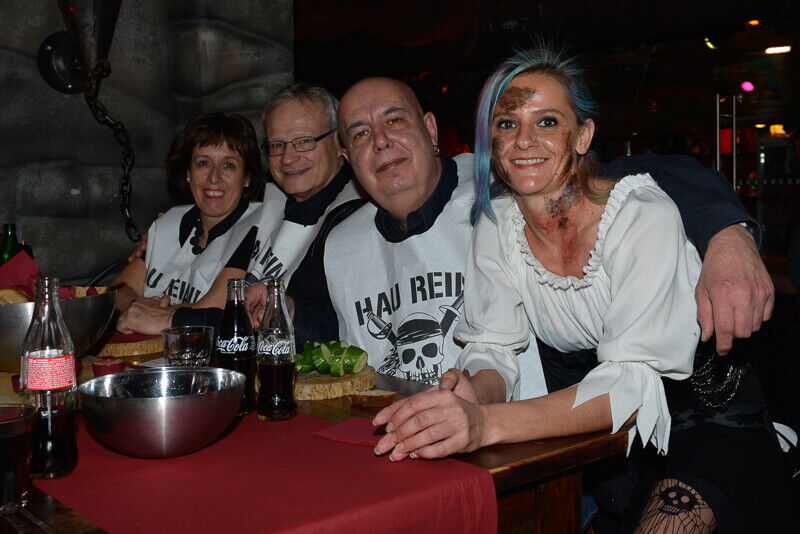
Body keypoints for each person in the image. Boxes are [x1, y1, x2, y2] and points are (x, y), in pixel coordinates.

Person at [372, 48, 791, 532]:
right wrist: (475, 394)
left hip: (710, 426)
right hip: (603, 444)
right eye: (507, 124)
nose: (524, 140)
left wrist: (486, 424)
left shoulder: (640, 214)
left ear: (583, 136)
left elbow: (633, 387)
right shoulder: (497, 223)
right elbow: (495, 347)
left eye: (547, 121)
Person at [288, 74, 772, 396]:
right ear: (348, 159)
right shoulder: (338, 237)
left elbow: (632, 178)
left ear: (430, 130)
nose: (381, 141)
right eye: (360, 133)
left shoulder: (505, 186)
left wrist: (728, 235)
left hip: (569, 430)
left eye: (394, 120)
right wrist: (281, 311)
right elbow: (324, 332)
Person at [120, 84, 362, 334]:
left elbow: (335, 329)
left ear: (339, 142)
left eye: (304, 141)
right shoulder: (272, 210)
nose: (288, 158)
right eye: (277, 145)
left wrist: (170, 318)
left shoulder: (356, 219)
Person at [112, 112, 265, 333]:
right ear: (188, 173)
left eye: (229, 165)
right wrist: (137, 309)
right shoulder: (169, 223)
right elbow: (118, 291)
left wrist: (152, 315)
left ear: (247, 177)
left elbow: (215, 309)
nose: (214, 177)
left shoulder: (255, 228)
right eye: (203, 163)